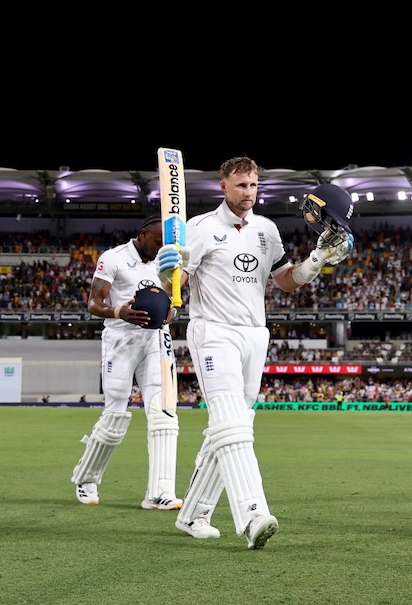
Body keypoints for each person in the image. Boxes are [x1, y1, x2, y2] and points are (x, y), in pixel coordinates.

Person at [157, 157, 354, 549]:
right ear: (224, 187)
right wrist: (166, 272)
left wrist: (315, 261)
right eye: (242, 185)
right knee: (233, 424)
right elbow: (172, 284)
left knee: (230, 426)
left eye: (254, 185)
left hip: (254, 335)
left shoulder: (267, 229)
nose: (249, 192)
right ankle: (252, 514)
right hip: (213, 332)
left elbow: (284, 281)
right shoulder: (199, 228)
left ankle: (194, 513)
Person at [71, 215, 182, 510]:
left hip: (157, 340)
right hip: (121, 340)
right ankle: (87, 478)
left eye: (164, 245)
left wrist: (172, 312)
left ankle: (160, 492)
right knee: (115, 414)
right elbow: (94, 302)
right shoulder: (114, 258)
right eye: (157, 242)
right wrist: (119, 311)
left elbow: (171, 298)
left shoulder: (166, 261)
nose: (160, 249)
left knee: (164, 413)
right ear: (144, 234)